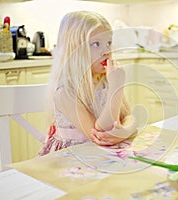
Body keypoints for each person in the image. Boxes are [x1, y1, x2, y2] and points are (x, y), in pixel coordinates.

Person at [38, 11, 137, 156]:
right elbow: (100, 135)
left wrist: (125, 131)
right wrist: (117, 87)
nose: (106, 51)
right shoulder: (66, 92)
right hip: (72, 159)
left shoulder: (105, 80)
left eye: (109, 43)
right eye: (96, 44)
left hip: (102, 155)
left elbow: (128, 117)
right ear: (74, 51)